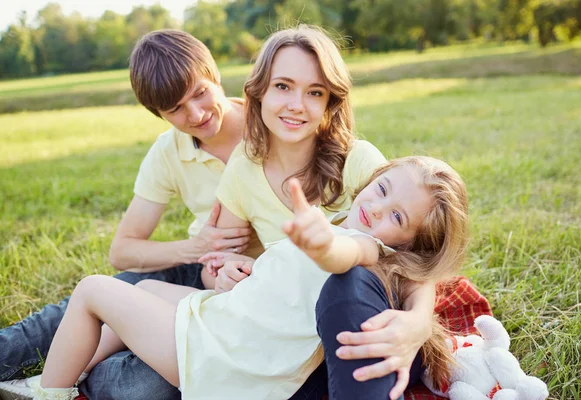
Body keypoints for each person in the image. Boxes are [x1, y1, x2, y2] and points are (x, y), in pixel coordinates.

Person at [0, 27, 429, 400]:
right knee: (117, 297)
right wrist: (218, 268)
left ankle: (69, 379)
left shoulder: (359, 163)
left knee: (134, 376)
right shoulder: (241, 164)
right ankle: (60, 368)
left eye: (314, 92)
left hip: (270, 328)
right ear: (258, 89)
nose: (296, 104)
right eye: (282, 87)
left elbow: (417, 252)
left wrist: (418, 322)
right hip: (243, 298)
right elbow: (199, 266)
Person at [32, 154, 469, 400]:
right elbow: (292, 284)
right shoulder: (342, 223)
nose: (376, 207)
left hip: (221, 355)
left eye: (396, 215)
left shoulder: (365, 248)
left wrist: (322, 243)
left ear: (408, 243)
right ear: (372, 180)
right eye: (382, 188)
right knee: (144, 286)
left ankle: (50, 395)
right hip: (230, 320)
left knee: (92, 289)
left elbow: (340, 256)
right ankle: (76, 368)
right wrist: (246, 271)